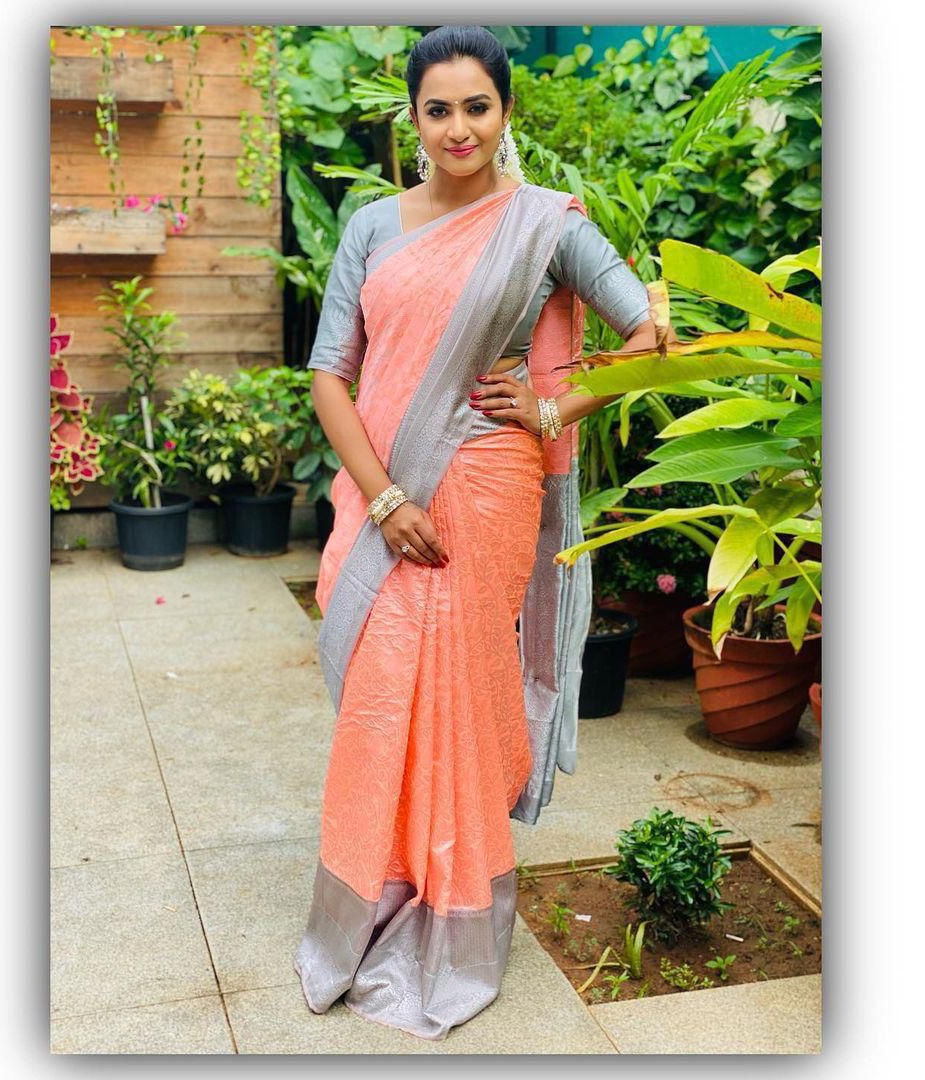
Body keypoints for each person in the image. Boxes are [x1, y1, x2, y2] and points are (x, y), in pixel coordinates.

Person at [293, 25, 656, 1041]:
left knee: (456, 690)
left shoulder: (545, 224)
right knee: (381, 698)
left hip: (488, 488)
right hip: (388, 491)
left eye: (477, 107)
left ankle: (454, 918)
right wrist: (385, 498)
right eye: (438, 109)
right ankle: (371, 896)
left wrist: (549, 408)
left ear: (506, 112)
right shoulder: (372, 226)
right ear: (414, 119)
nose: (459, 128)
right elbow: (329, 374)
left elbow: (648, 335)